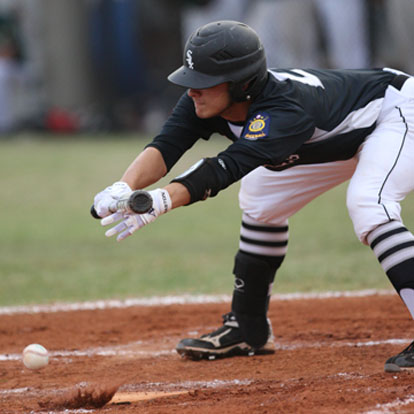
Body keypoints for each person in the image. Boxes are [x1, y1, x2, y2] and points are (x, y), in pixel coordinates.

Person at [93, 21, 414, 371]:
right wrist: (124, 188)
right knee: (262, 198)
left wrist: (162, 201)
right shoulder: (204, 102)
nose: (192, 91)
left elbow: (225, 168)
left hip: (394, 113)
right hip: (334, 138)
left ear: (242, 84)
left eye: (203, 83)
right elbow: (166, 146)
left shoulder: (285, 110)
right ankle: (249, 328)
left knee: (369, 204)